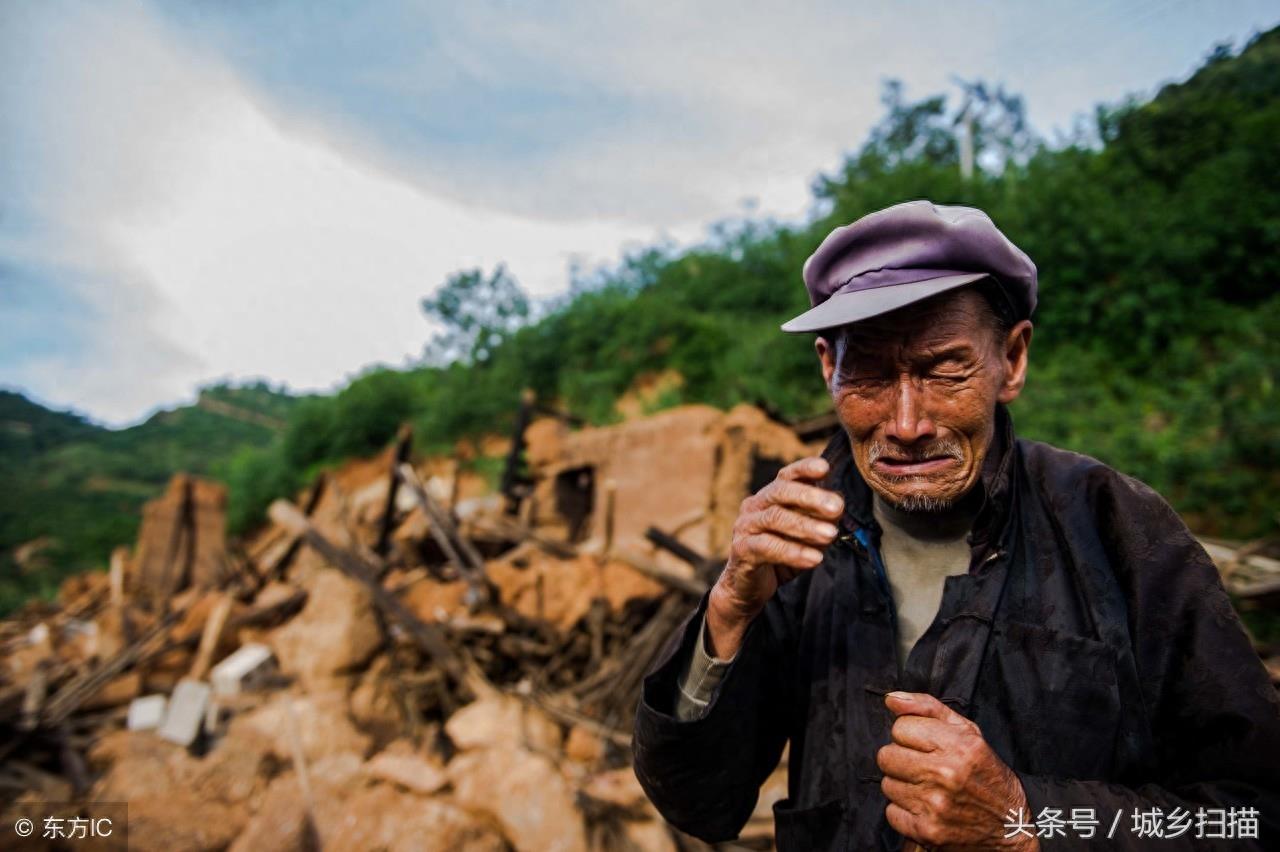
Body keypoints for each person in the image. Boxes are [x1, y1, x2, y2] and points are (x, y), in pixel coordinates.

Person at [630, 200, 1280, 851]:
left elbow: (1253, 814)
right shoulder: (799, 542)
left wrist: (1025, 819)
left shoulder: (1118, 529)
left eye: (944, 370)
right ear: (829, 368)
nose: (907, 423)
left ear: (1013, 359)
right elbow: (698, 804)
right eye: (870, 376)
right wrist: (728, 612)